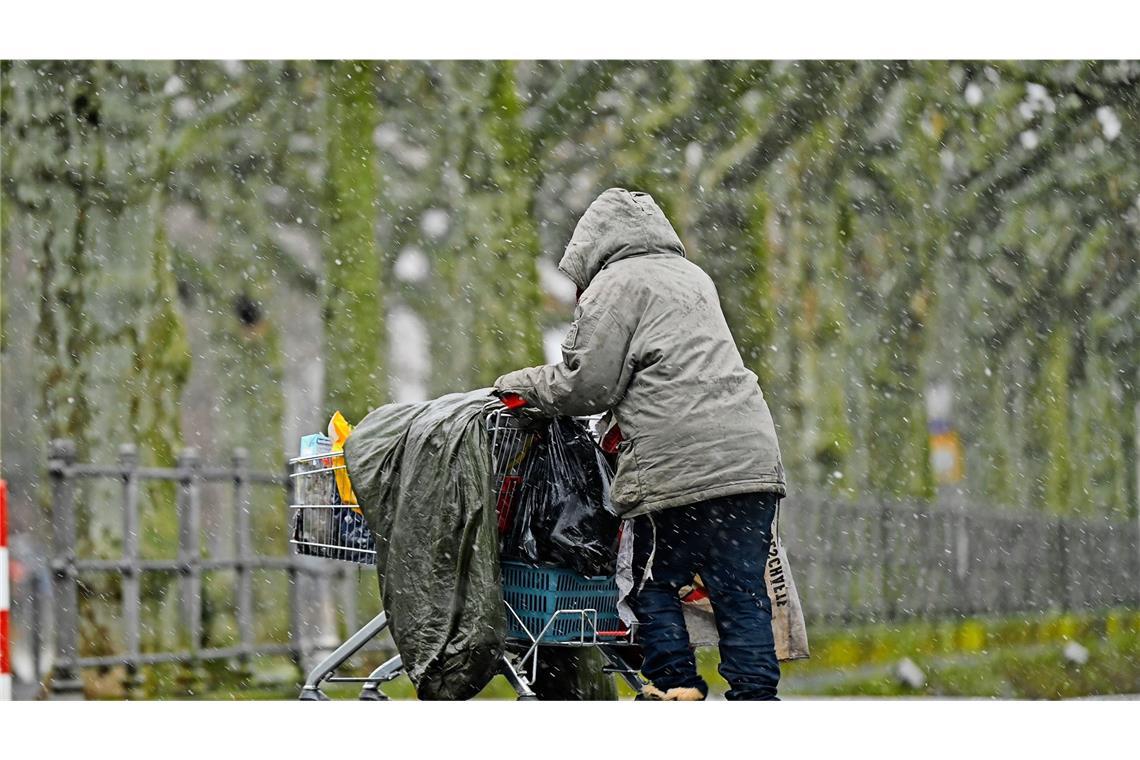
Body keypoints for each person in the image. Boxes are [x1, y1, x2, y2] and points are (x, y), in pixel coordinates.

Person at [494, 187, 786, 701]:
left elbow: (587, 385)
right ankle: (755, 700)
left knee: (650, 581)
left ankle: (677, 689)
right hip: (751, 457)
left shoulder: (615, 284)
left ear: (591, 247)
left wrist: (517, 385)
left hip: (676, 461)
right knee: (740, 591)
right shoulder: (694, 277)